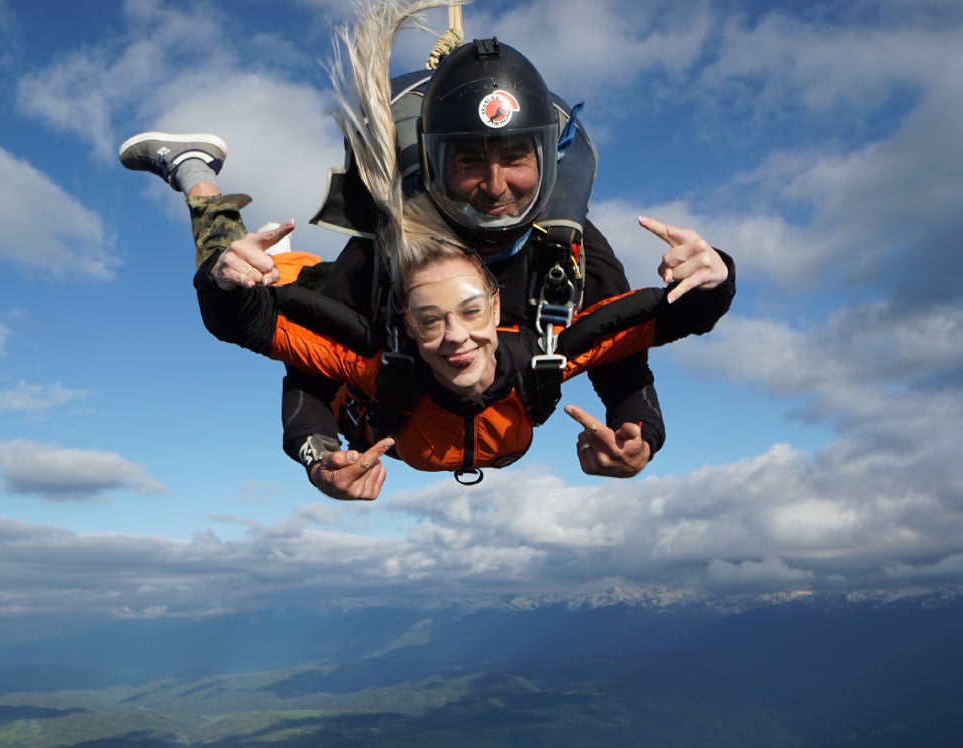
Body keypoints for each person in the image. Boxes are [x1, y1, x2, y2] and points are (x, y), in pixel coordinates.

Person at [119, 0, 733, 491]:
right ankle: (197, 173)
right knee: (241, 271)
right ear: (438, 164)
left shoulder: (568, 255)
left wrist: (643, 428)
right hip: (386, 378)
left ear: (544, 157)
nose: (495, 189)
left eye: (515, 158)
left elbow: (619, 350)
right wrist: (319, 453)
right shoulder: (375, 262)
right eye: (469, 162)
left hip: (470, 417)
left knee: (242, 283)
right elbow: (305, 364)